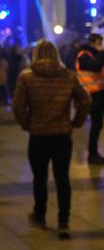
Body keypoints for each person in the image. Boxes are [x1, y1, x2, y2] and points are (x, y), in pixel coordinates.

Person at [13, 40, 91, 239]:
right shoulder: (68, 76)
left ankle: (40, 216)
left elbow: (18, 106)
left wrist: (26, 124)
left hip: (38, 136)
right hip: (62, 135)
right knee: (62, 179)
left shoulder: (26, 77)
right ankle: (63, 222)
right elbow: (85, 100)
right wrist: (76, 122)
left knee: (39, 178)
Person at [76, 33, 104, 164]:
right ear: (91, 43)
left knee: (98, 125)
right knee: (96, 125)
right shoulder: (84, 55)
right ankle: (92, 154)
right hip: (91, 96)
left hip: (98, 95)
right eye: (98, 43)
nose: (101, 46)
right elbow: (96, 67)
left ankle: (94, 153)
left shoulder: (91, 54)